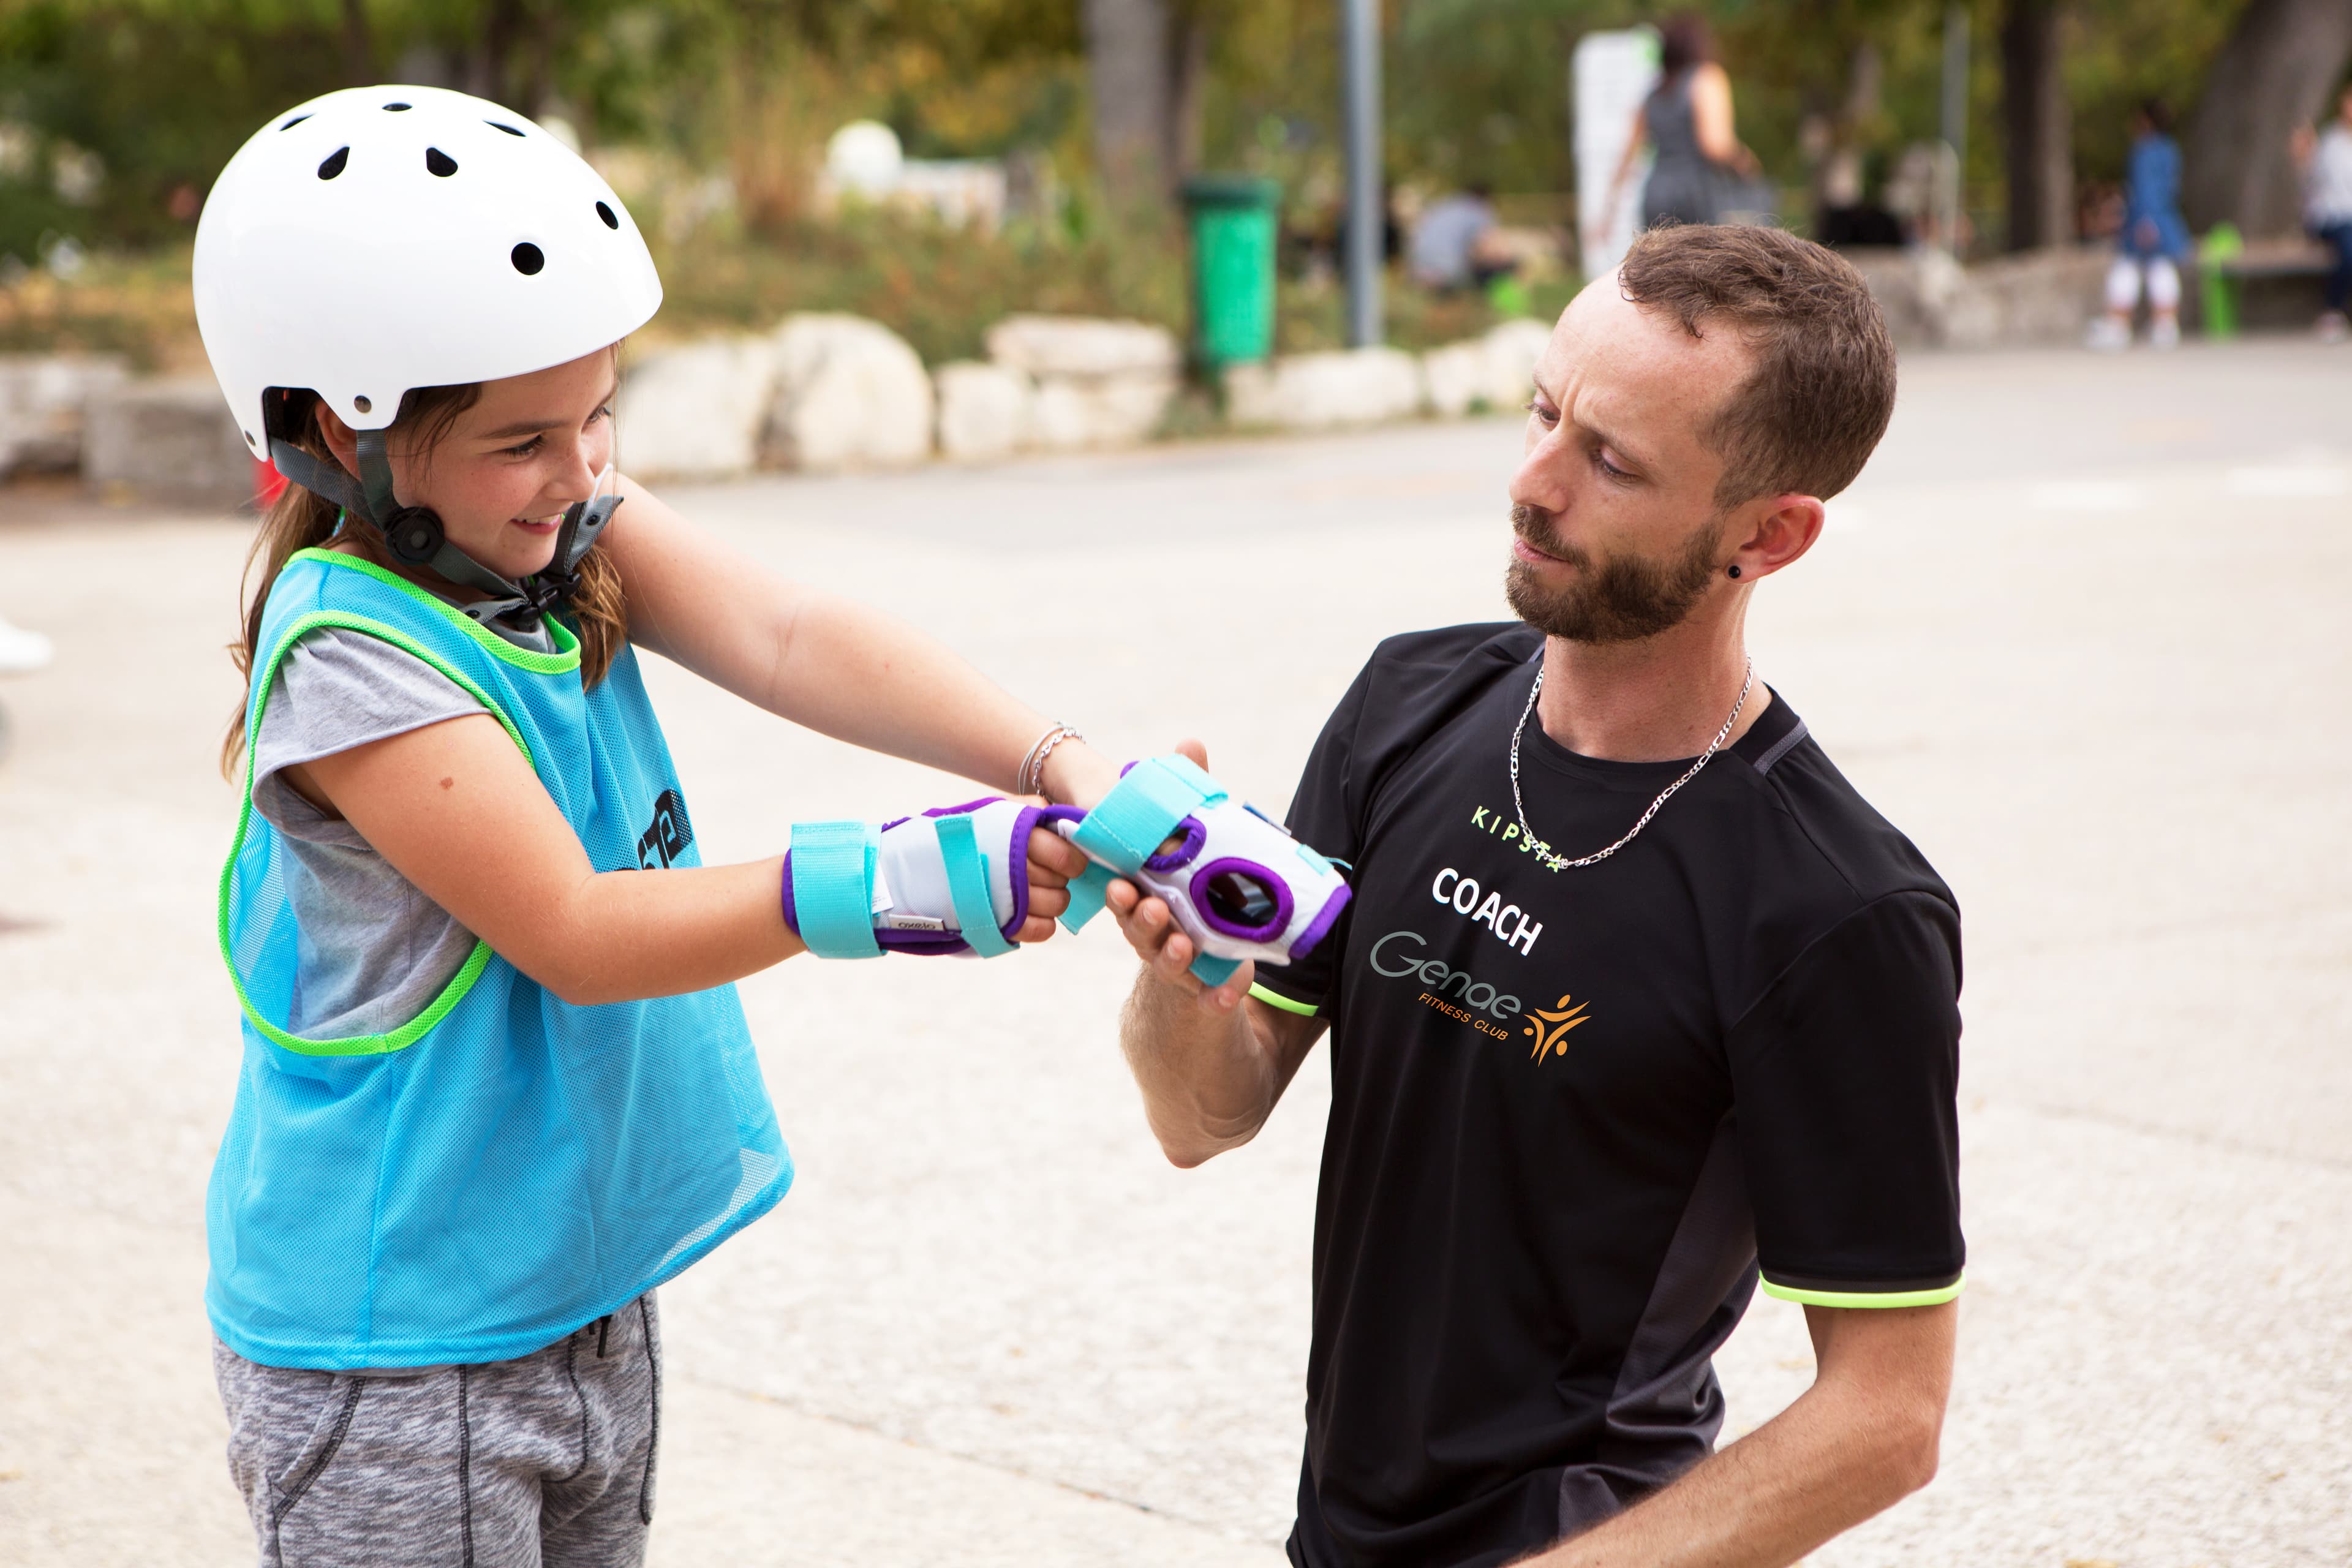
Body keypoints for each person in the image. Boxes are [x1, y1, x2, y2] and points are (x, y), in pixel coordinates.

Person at [194, 86, 1122, 1565]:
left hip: (572, 1281)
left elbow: (789, 629)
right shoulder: (354, 655)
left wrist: (1051, 757)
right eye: (521, 441)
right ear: (332, 434)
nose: (580, 474)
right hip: (397, 1337)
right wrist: (894, 882)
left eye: (596, 414)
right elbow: (576, 929)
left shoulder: (552, 530)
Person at [1110, 224, 1962, 1568]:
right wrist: (1182, 976)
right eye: (1541, 410)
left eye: (1610, 459)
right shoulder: (1409, 700)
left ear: (1772, 532)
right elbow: (1204, 1116)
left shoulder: (1837, 907)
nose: (1532, 481)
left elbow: (1890, 1411)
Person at [1607, 14, 1763, 233]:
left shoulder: (1653, 94)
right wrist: (1744, 162)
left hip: (1656, 195)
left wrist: (1608, 211)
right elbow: (1714, 145)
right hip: (1697, 195)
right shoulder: (1707, 79)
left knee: (1659, 265)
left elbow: (1628, 154)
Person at [2089, 100, 2190, 351]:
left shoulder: (2143, 151)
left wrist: (2146, 221)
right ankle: (2165, 324)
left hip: (2146, 220)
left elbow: (2145, 190)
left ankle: (2118, 324)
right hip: (2165, 217)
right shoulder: (2170, 150)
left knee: (2128, 269)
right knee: (2161, 268)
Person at [2292, 82, 2352, 343]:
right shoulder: (2330, 142)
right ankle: (2332, 310)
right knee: (2348, 246)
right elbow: (2311, 183)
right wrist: (2303, 157)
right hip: (2332, 218)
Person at [1410, 184, 1513, 293]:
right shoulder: (1480, 210)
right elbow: (1490, 249)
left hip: (1416, 270)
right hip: (1448, 273)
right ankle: (1509, 306)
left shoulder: (1446, 203)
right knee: (1503, 267)